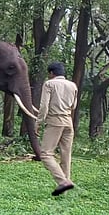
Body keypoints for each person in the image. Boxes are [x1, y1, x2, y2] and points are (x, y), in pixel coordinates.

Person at [37, 62, 78, 196]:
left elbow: (44, 107)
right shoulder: (73, 85)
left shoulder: (49, 84)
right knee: (66, 155)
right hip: (68, 122)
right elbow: (73, 106)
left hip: (55, 121)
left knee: (46, 154)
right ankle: (64, 189)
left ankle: (63, 182)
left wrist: (38, 122)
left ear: (51, 73)